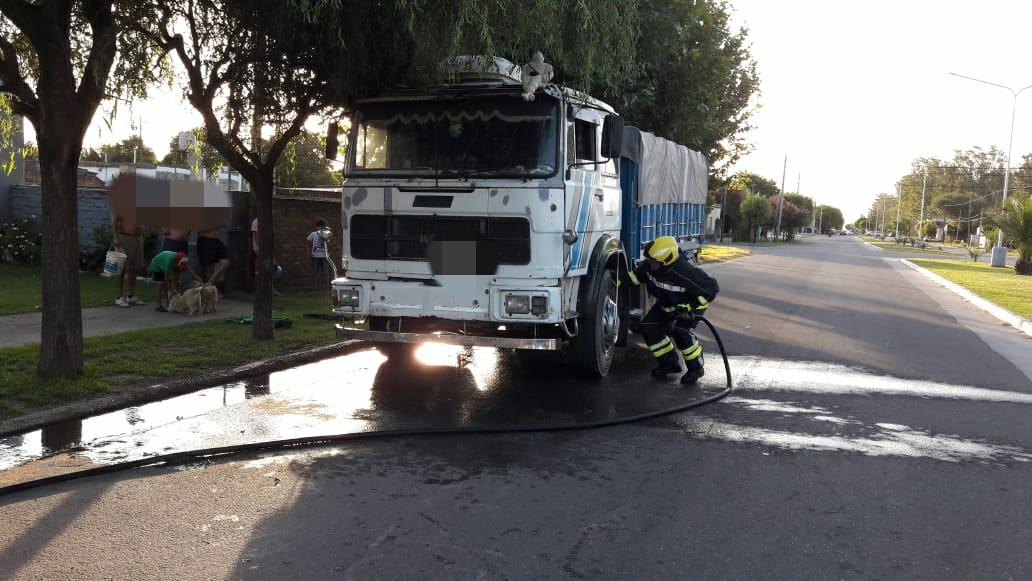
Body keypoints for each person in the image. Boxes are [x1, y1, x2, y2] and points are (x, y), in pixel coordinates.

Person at [625, 235, 720, 384]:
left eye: (653, 262)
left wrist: (689, 309)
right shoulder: (650, 267)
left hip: (690, 306)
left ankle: (696, 368)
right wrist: (616, 281)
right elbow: (634, 278)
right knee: (649, 327)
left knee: (681, 332)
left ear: (666, 260)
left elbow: (711, 289)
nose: (650, 264)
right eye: (649, 260)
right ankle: (669, 364)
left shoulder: (685, 272)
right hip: (668, 304)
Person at [111, 209, 145, 307]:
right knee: (121, 268)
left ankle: (131, 296)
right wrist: (115, 237)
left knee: (133, 268)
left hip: (137, 238)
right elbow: (114, 219)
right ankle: (119, 297)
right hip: (124, 238)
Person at [251, 216, 281, 296]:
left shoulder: (267, 221)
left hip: (267, 249)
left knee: (269, 269)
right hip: (259, 250)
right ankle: (260, 289)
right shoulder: (256, 222)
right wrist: (262, 249)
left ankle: (270, 289)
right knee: (260, 270)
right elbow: (257, 237)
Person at [307, 218, 329, 290]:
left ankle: (327, 288)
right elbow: (307, 241)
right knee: (315, 273)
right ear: (317, 227)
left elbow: (328, 243)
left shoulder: (326, 234)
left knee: (326, 273)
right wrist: (309, 252)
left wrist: (324, 236)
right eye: (320, 226)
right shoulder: (313, 234)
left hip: (324, 256)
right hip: (315, 256)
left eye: (323, 227)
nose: (321, 228)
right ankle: (315, 288)